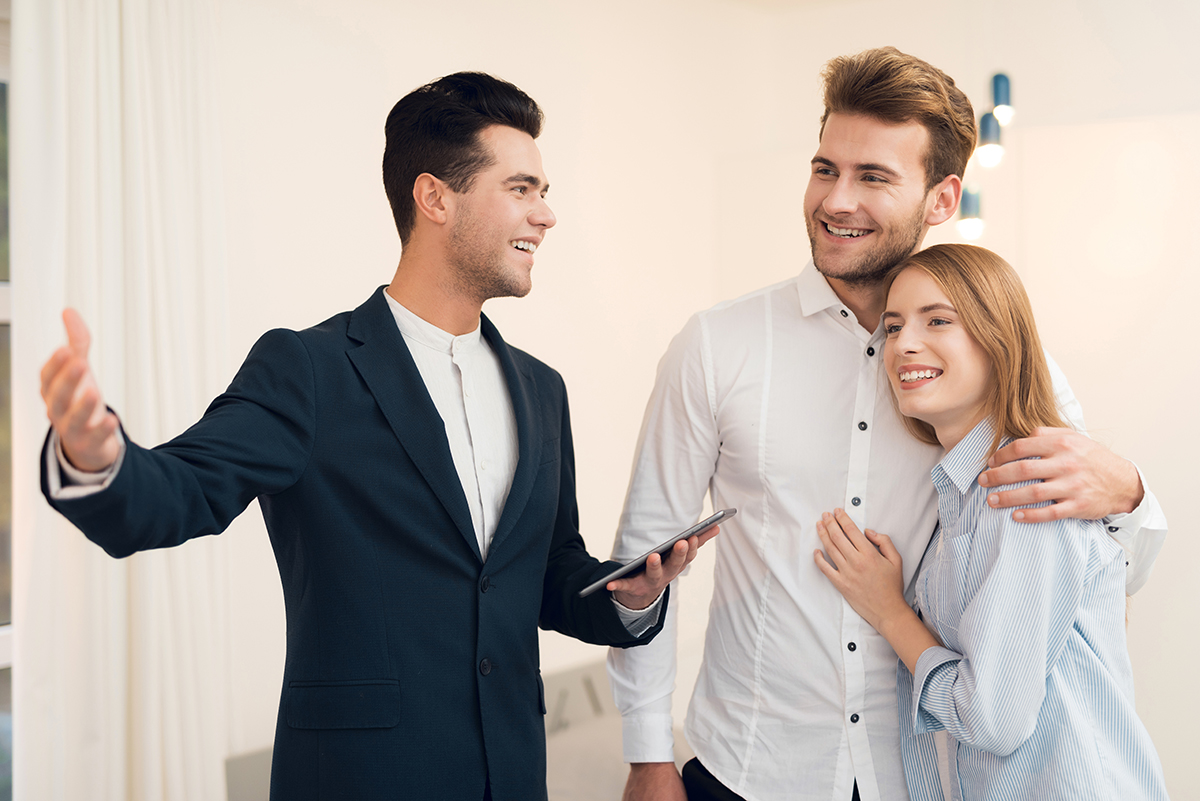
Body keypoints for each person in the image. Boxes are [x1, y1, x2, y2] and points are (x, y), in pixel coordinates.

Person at [38, 72, 714, 801]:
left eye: (543, 191)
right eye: (522, 188)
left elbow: (547, 572)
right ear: (435, 198)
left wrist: (630, 594)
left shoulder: (542, 389)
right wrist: (97, 455)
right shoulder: (308, 368)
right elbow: (179, 492)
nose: (546, 214)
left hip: (512, 775)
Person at [607, 47, 1167, 801]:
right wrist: (647, 753)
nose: (837, 200)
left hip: (925, 774)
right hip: (748, 767)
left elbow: (1088, 570)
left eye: (873, 177)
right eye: (825, 168)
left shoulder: (1009, 376)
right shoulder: (717, 345)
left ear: (942, 199)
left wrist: (1132, 495)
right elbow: (645, 561)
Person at [814, 243, 1169, 800]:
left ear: (998, 340)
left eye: (938, 320)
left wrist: (889, 612)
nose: (904, 343)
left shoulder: (1022, 490)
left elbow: (992, 720)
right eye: (894, 325)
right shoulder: (965, 490)